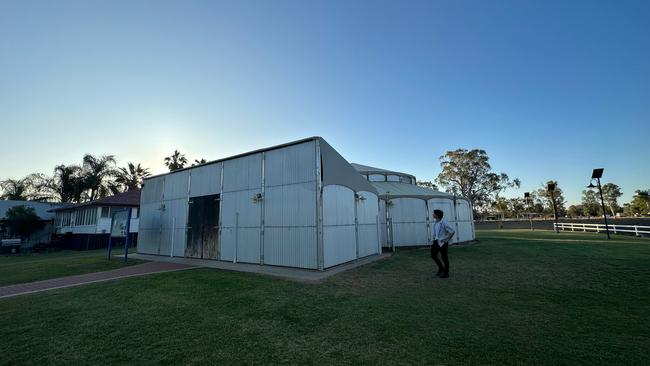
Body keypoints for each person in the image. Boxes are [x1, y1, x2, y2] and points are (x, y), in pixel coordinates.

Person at [431, 209, 455, 278]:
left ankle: (446, 273)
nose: (433, 214)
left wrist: (447, 239)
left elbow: (452, 231)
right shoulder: (435, 223)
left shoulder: (444, 222)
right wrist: (433, 240)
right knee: (433, 255)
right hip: (436, 242)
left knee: (444, 257)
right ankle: (441, 268)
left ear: (437, 215)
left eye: (434, 213)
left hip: (442, 242)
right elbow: (435, 233)